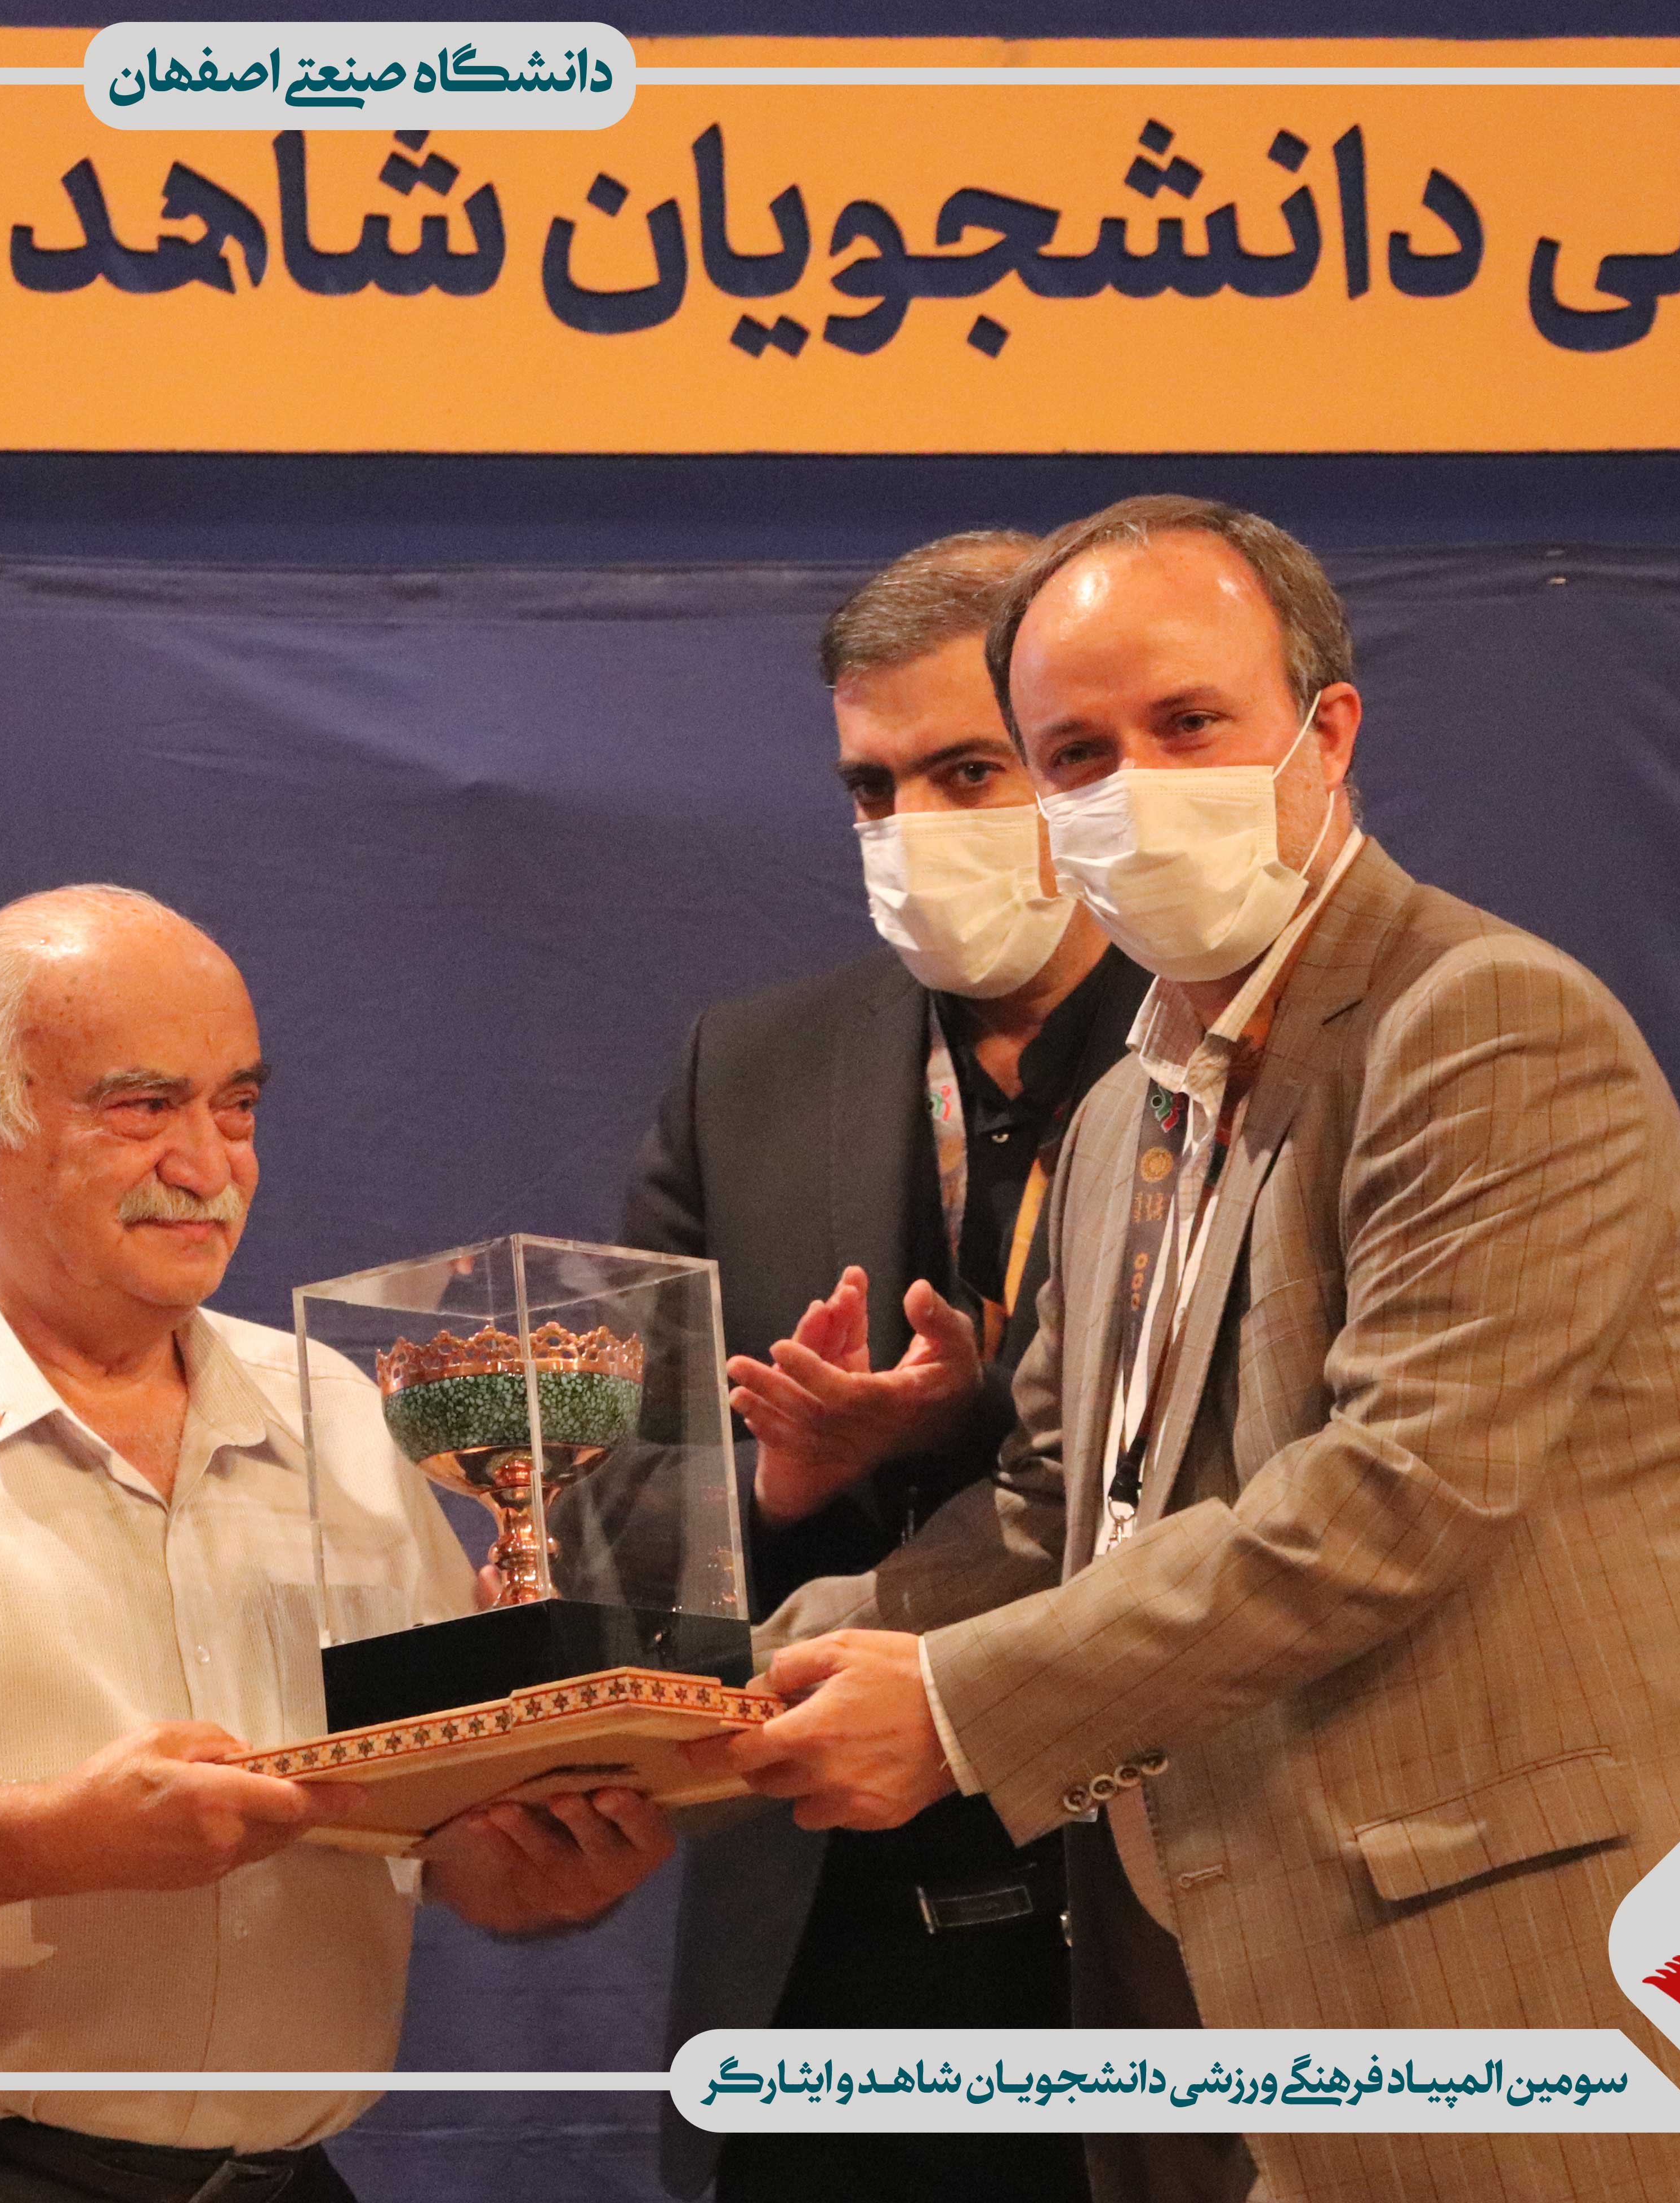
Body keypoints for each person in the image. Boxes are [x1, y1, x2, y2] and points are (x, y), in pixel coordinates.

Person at [699, 495, 1680, 2202]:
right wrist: (697, 1696)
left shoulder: (1482, 1021)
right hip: (1217, 2017)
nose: (1134, 786)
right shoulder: (1123, 1110)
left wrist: (956, 1709)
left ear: (1325, 731)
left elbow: (1393, 1501)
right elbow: (1057, 1511)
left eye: (1189, 723)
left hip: (1543, 2002)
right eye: (1077, 754)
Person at [0, 885, 678, 2203]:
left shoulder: (341, 1413)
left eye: (236, 1105)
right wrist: (56, 1837)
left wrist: (549, 1848)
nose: (208, 1165)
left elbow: (441, 1834)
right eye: (143, 1106)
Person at [623, 533, 1137, 2203]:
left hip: (1168, 1911)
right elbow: (614, 1506)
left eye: (969, 771)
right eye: (872, 786)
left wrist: (977, 1416)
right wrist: (785, 1478)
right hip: (834, 1951)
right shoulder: (748, 1071)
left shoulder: (1232, 1037)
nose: (914, 827)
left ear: (1075, 757)